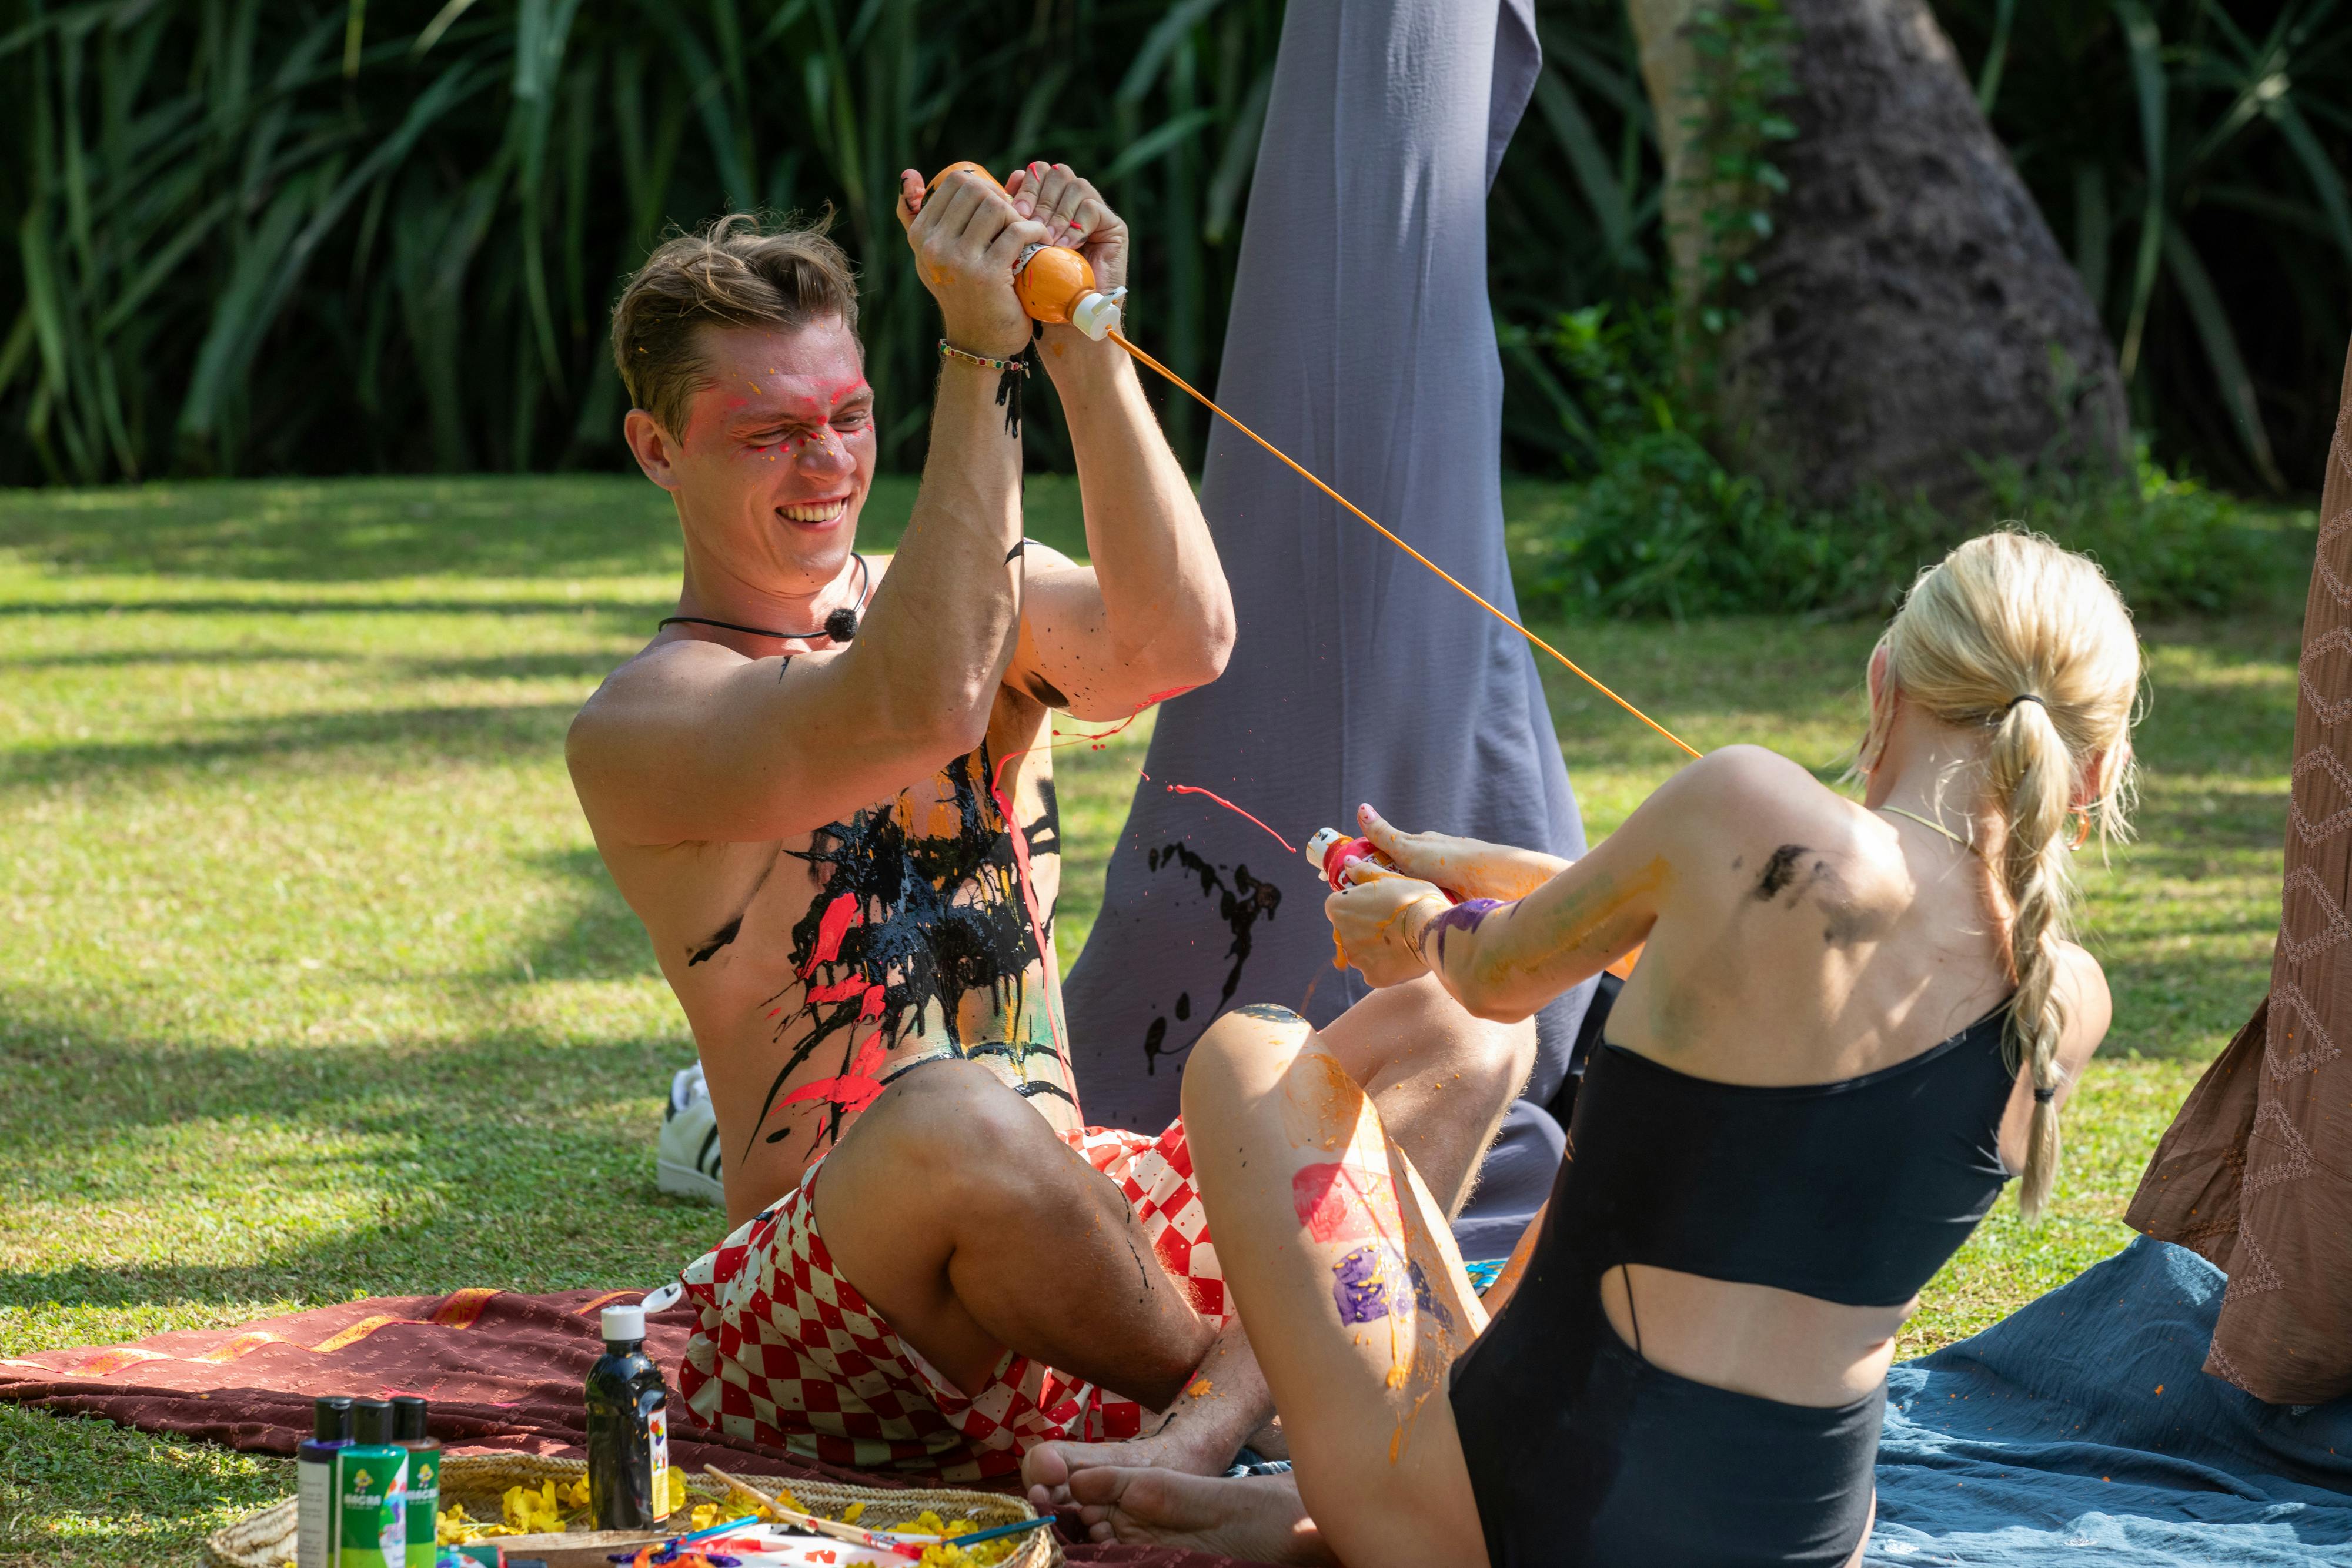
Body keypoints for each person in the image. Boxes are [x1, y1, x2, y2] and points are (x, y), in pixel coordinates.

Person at [566, 168, 1535, 1482]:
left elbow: (1181, 639)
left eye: (849, 415)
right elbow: (911, 702)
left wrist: (1082, 341)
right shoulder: (648, 720)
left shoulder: (967, 605)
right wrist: (977, 353)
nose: (830, 461)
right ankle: (1284, 1386)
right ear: (655, 447)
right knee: (948, 1113)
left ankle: (1216, 1412)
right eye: (768, 432)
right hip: (859, 1308)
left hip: (1096, 1257)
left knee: (1461, 1009)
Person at [1035, 530, 2141, 1565]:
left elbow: (1493, 979)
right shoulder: (2065, 998)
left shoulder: (1749, 803)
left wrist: (1416, 922)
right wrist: (1478, 868)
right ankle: (1305, 1520)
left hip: (1542, 1525)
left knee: (1253, 1055)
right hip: (1798, 1543)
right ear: (2090, 776)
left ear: (1882, 679)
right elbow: (1746, 985)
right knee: (1668, 1173)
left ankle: (1371, 1518)